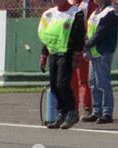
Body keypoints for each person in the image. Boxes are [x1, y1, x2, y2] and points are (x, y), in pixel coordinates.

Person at [37, 0, 85, 129]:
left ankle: (72, 112)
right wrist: (44, 55)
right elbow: (48, 36)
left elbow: (80, 35)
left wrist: (77, 54)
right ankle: (61, 113)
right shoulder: (50, 14)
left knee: (62, 84)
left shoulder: (76, 13)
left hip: (67, 52)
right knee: (54, 85)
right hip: (53, 52)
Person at [82, 0, 118, 124]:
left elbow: (99, 34)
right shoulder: (95, 12)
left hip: (103, 52)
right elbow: (89, 32)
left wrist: (85, 45)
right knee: (93, 83)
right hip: (94, 53)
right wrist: (87, 47)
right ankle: (96, 111)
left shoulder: (110, 12)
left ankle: (107, 113)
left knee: (103, 83)